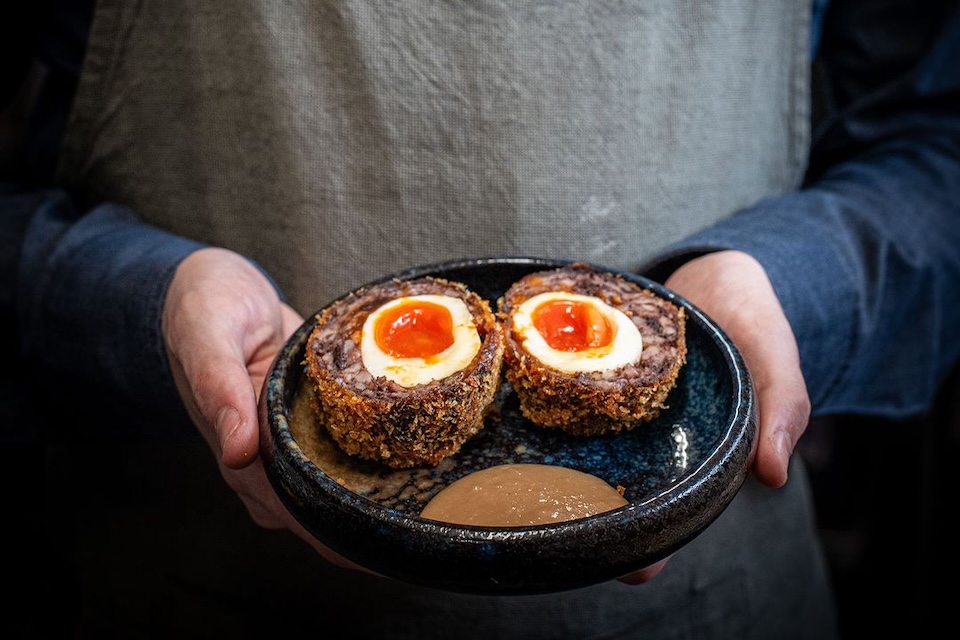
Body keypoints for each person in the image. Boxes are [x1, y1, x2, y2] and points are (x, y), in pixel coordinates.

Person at [2, 0, 958, 637]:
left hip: (719, 595)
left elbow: (936, 150)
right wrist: (137, 297)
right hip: (195, 585)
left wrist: (789, 285)